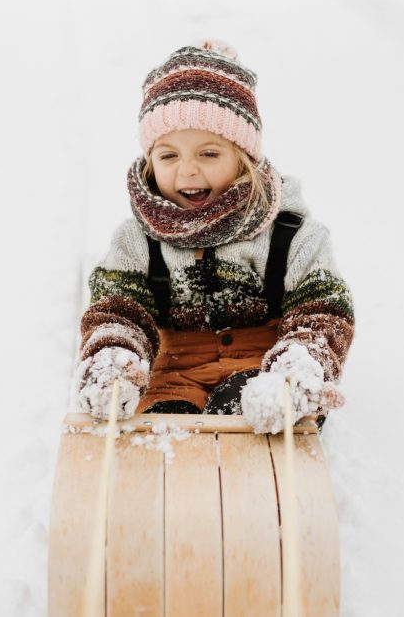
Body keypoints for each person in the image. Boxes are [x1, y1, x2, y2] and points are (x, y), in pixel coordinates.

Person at [72, 39, 354, 434]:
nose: (187, 171)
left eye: (208, 154)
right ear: (149, 161)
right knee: (165, 436)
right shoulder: (135, 241)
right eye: (168, 155)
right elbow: (118, 309)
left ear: (244, 158)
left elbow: (322, 311)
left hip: (262, 371)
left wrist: (297, 366)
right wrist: (114, 356)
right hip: (171, 375)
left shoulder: (292, 235)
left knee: (245, 423)